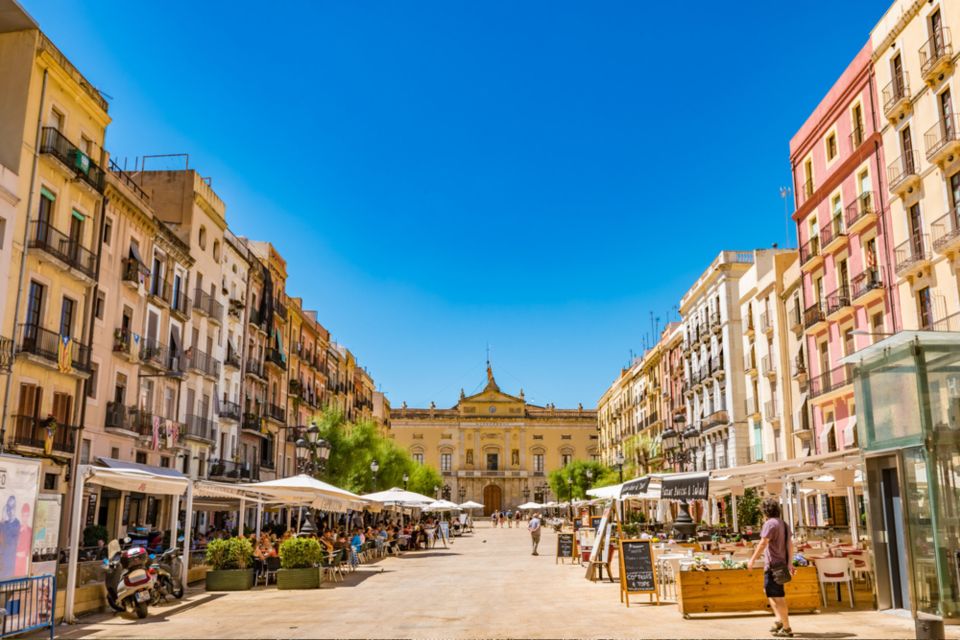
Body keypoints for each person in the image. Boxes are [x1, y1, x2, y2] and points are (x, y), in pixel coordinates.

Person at [748, 498, 794, 638]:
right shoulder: (784, 524)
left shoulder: (769, 524)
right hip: (781, 565)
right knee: (769, 591)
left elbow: (763, 543)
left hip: (774, 565)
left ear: (765, 511)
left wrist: (752, 559)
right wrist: (790, 563)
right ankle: (779, 620)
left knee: (778, 597)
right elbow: (790, 545)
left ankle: (786, 628)